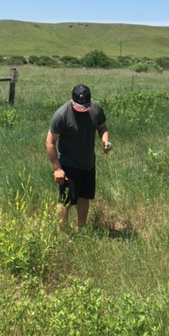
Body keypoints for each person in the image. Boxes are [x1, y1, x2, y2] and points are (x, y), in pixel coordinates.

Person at [46, 84, 110, 230]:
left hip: (88, 163)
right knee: (66, 200)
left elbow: (102, 127)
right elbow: (50, 142)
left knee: (84, 196)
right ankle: (63, 233)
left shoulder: (96, 108)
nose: (82, 110)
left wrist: (105, 141)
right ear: (72, 101)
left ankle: (82, 229)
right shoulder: (62, 115)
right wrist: (57, 168)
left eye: (85, 106)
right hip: (69, 165)